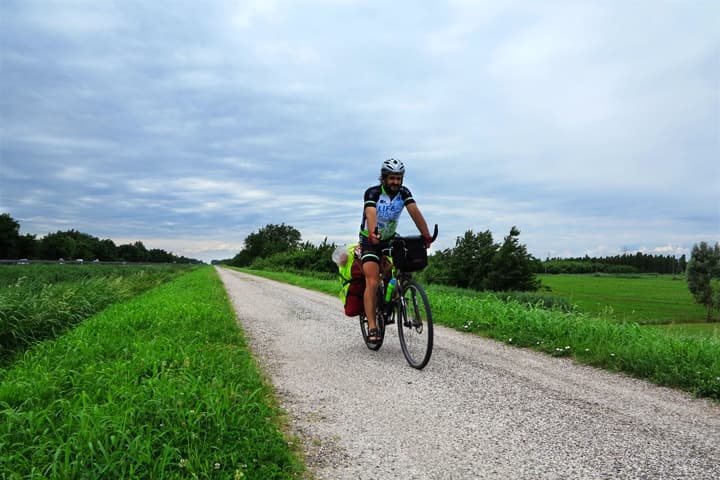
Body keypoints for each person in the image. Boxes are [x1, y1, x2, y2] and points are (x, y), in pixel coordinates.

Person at [359, 158, 433, 343]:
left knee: (403, 267)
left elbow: (414, 212)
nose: (396, 182)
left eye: (399, 178)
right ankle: (373, 327)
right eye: (392, 178)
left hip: (390, 239)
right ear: (383, 178)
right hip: (370, 241)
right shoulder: (373, 192)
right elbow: (371, 213)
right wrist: (373, 233)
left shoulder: (404, 193)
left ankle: (394, 297)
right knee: (373, 281)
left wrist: (426, 235)